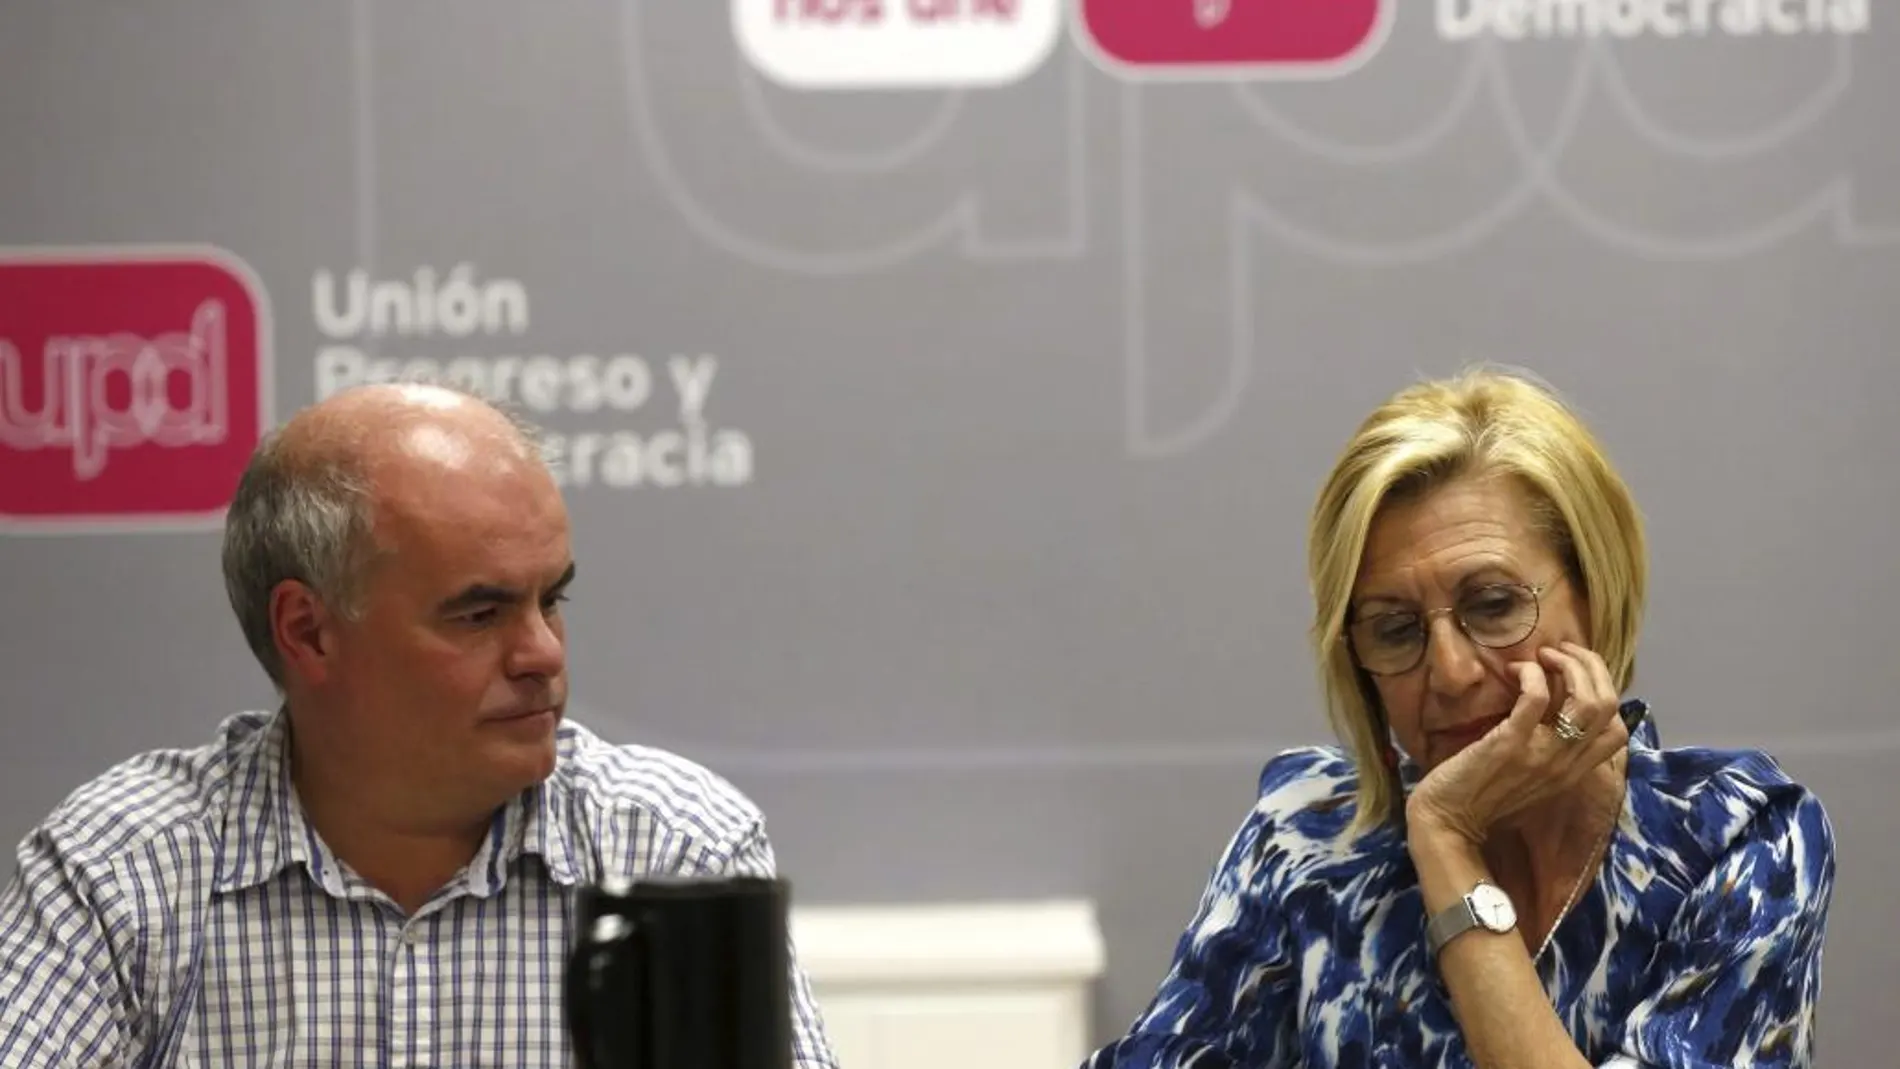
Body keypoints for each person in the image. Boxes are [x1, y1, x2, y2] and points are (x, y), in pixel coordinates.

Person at [0, 383, 839, 1068]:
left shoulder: (673, 850)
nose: (543, 654)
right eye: (480, 613)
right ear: (309, 631)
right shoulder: (125, 871)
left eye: (553, 599)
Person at [1084, 368, 1836, 1069]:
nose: (1449, 672)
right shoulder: (1308, 839)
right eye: (1394, 627)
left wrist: (1445, 839)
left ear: (1597, 597)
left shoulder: (1735, 840)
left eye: (1494, 604)